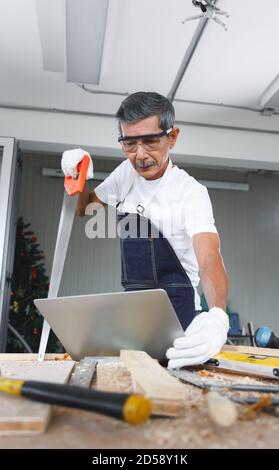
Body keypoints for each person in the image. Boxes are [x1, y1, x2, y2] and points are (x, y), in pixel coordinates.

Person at [61, 91, 229, 368]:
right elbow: (85, 208)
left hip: (179, 308)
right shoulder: (125, 174)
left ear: (172, 137)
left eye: (151, 141)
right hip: (134, 309)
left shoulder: (190, 193)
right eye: (129, 143)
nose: (140, 155)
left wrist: (218, 316)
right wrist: (77, 176)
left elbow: (210, 257)